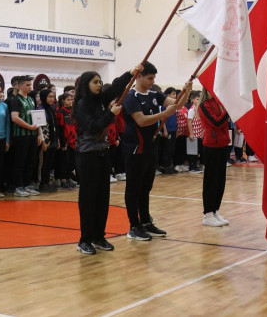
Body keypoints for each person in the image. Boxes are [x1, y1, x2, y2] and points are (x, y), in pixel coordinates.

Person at [73, 64, 143, 254]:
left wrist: (130, 73)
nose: (99, 85)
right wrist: (109, 115)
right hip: (87, 156)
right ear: (86, 84)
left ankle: (98, 236)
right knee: (88, 199)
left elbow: (115, 88)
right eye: (95, 82)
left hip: (103, 153)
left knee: (103, 197)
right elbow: (93, 127)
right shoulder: (81, 105)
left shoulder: (99, 101)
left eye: (99, 81)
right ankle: (84, 239)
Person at [121, 62, 189, 241]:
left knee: (146, 187)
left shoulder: (154, 94)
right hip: (135, 147)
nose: (152, 81)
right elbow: (141, 121)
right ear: (139, 77)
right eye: (149, 78)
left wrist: (186, 91)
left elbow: (176, 104)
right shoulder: (130, 97)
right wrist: (165, 114)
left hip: (151, 146)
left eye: (154, 78)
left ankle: (145, 221)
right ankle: (133, 226)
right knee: (133, 188)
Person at [197, 88, 232, 227]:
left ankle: (215, 210)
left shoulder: (219, 103)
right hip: (211, 146)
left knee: (220, 180)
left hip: (222, 144)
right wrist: (228, 111)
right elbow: (216, 123)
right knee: (211, 180)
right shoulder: (204, 105)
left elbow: (221, 121)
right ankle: (207, 213)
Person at [8, 76, 41, 197]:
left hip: (32, 135)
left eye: (30, 85)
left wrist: (38, 133)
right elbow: (14, 118)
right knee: (19, 161)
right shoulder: (15, 100)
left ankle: (27, 185)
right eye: (27, 85)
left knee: (31, 161)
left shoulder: (31, 99)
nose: (30, 87)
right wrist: (29, 127)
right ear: (20, 85)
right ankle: (18, 186)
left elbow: (36, 117)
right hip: (21, 135)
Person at [38, 88, 59, 192]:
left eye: (53, 97)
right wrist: (43, 141)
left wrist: (57, 140)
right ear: (43, 97)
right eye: (49, 97)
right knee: (44, 163)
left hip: (53, 139)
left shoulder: (51, 108)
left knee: (50, 163)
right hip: (45, 140)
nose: (52, 99)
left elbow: (55, 125)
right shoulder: (40, 109)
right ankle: (42, 183)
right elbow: (40, 127)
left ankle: (47, 182)